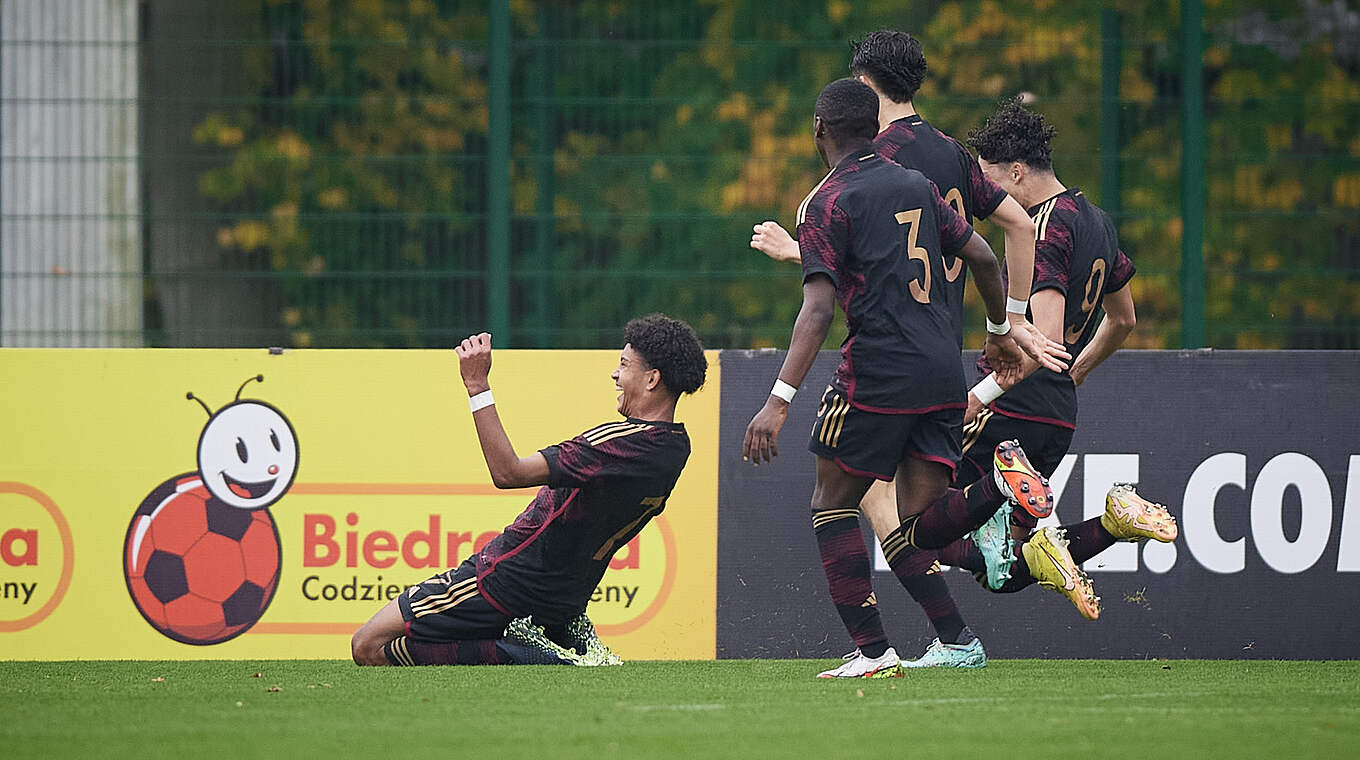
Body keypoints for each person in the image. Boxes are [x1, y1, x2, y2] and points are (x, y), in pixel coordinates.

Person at [750, 29, 1069, 669]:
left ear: (825, 127)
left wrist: (778, 399)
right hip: (941, 363)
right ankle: (989, 522)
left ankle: (874, 650)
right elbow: (993, 240)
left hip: (878, 370)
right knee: (918, 523)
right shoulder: (942, 159)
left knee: (832, 503)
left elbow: (822, 302)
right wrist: (1006, 327)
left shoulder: (832, 194)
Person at [896, 97, 1178, 664]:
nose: (990, 197)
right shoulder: (1096, 219)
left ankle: (1005, 481)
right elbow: (1124, 320)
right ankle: (1112, 523)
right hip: (1057, 413)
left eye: (993, 182)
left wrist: (977, 397)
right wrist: (1073, 372)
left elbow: (1037, 338)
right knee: (1004, 566)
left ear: (1017, 173)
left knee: (913, 521)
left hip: (1013, 405)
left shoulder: (1044, 227)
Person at [351, 314, 708, 666]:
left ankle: (530, 654)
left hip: (505, 579)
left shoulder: (617, 443)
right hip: (562, 600)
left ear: (652, 379)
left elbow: (508, 472)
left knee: (368, 646)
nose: (615, 374)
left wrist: (477, 385)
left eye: (624, 365)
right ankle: (528, 643)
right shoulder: (676, 448)